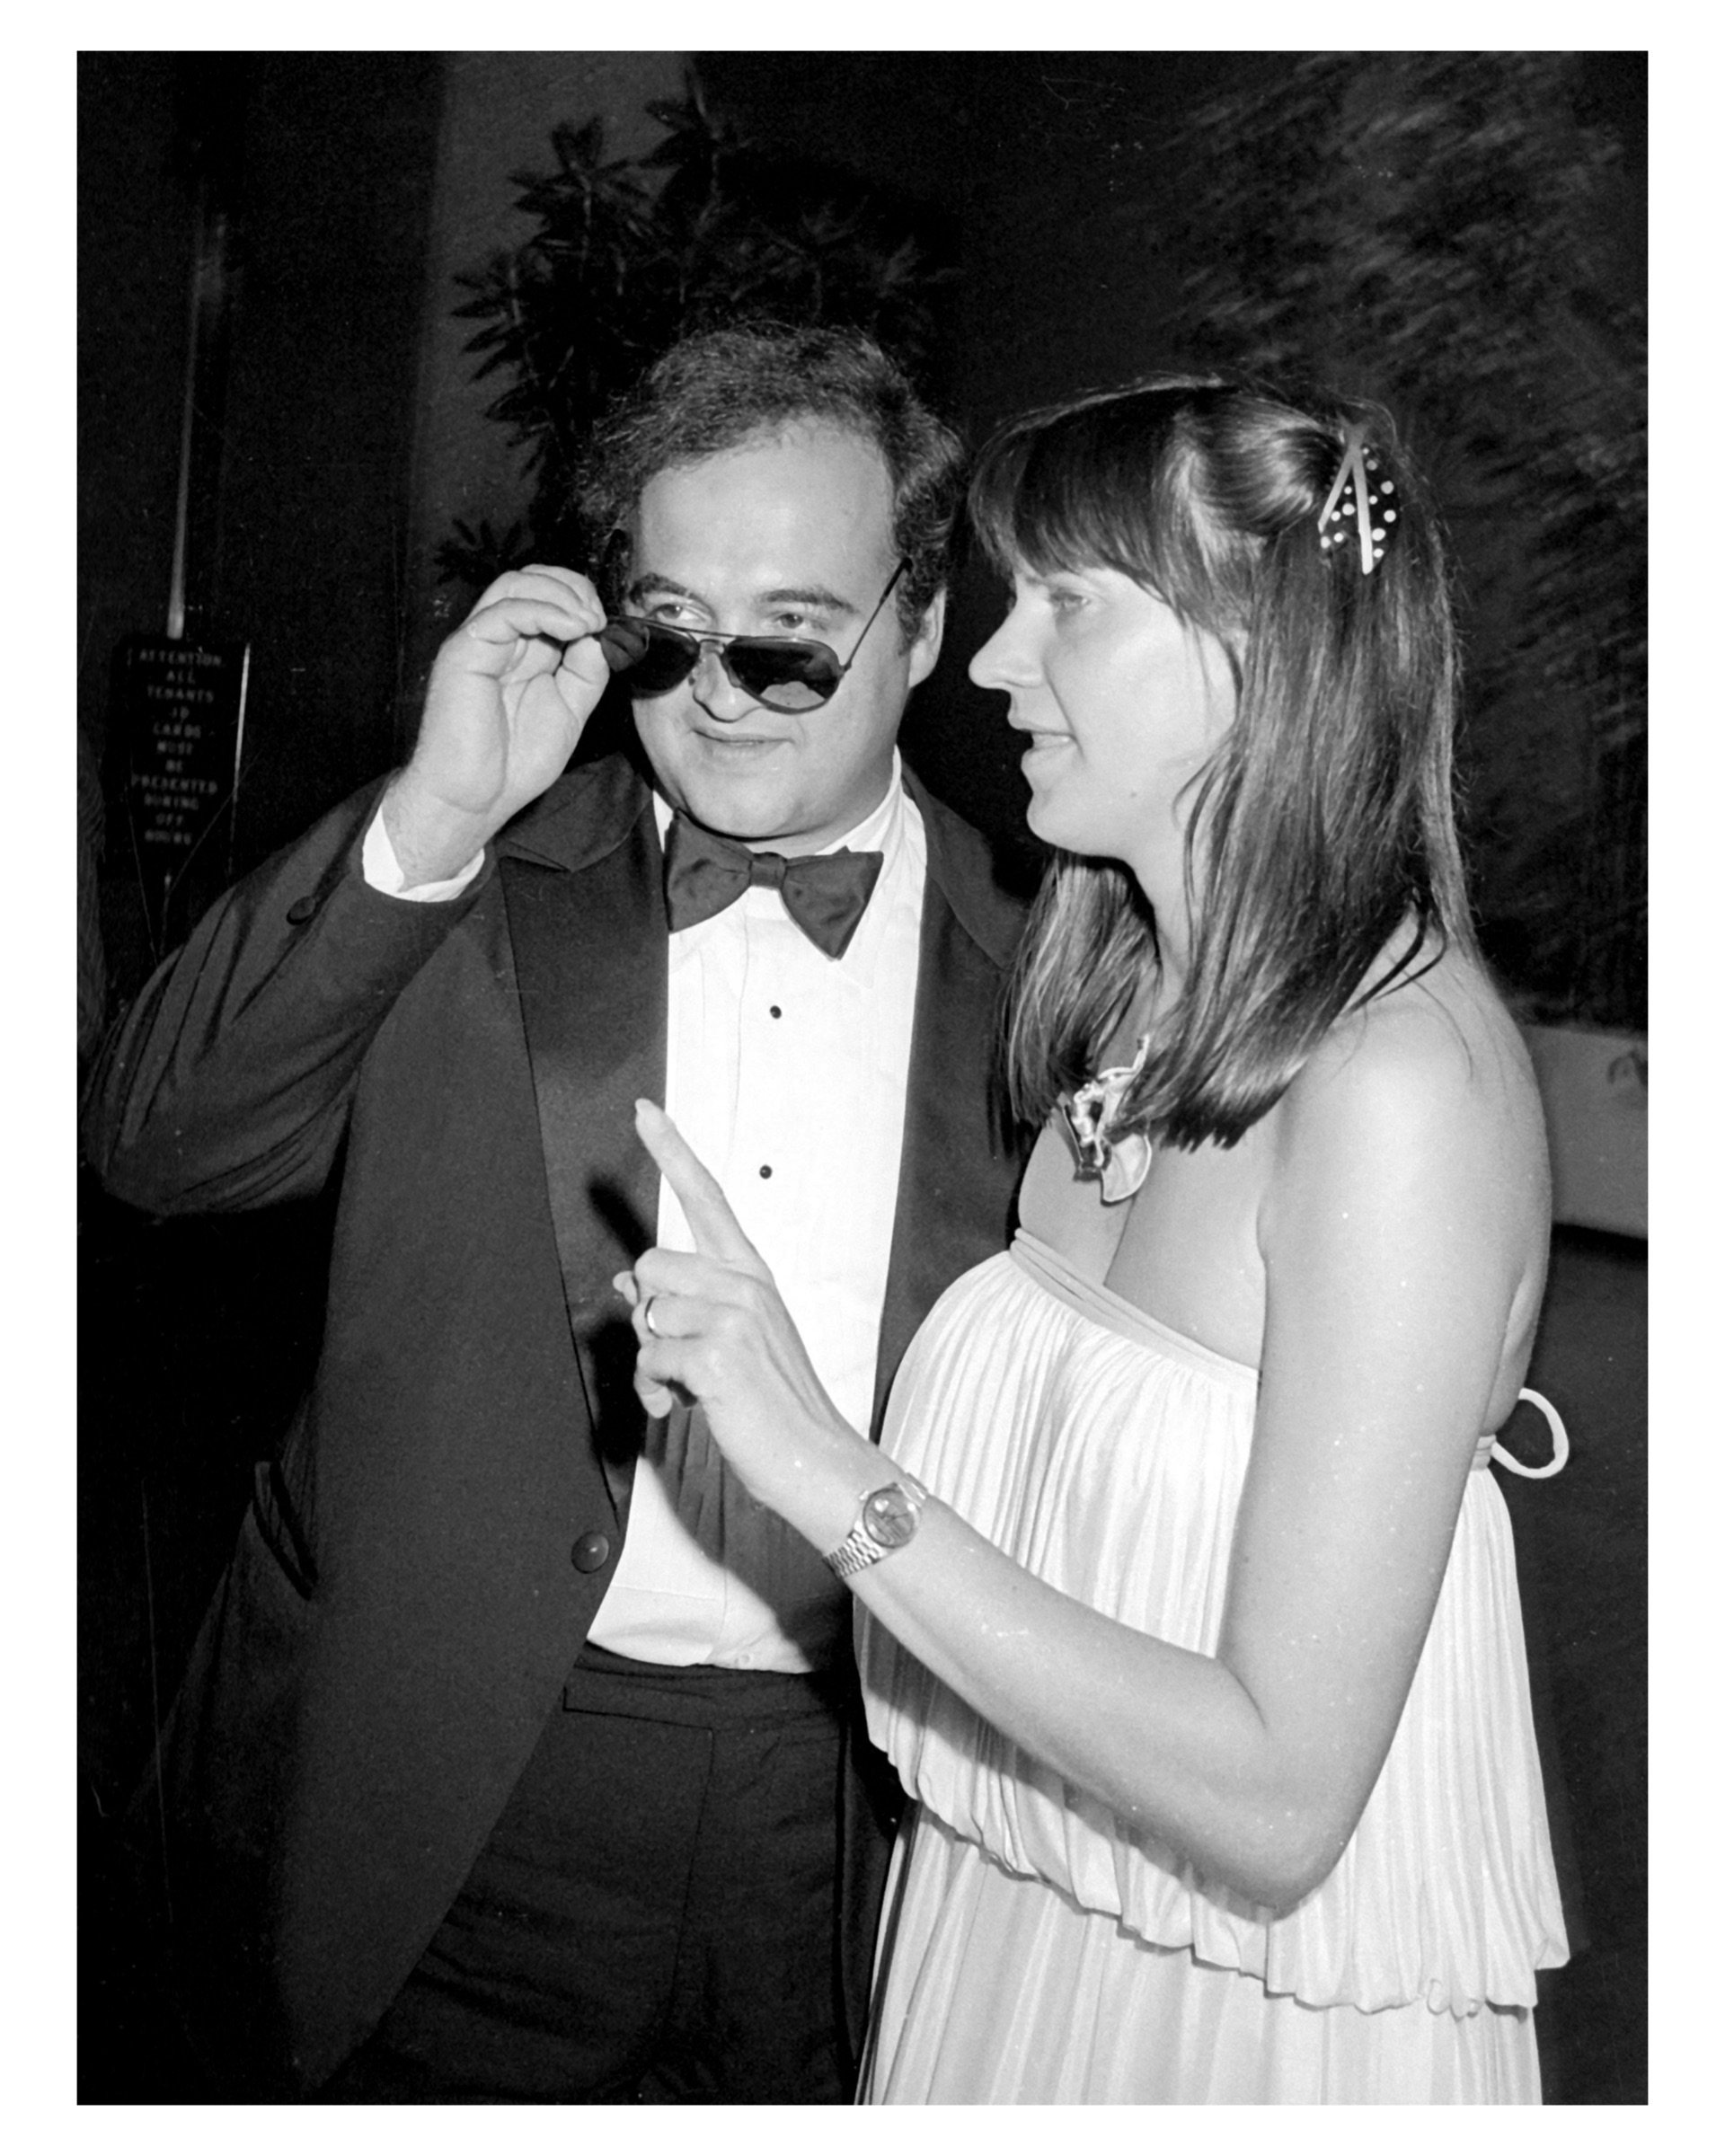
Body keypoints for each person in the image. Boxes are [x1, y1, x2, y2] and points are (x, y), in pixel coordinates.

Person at [81, 324, 1029, 2101]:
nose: (721, 691)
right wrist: (436, 808)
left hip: (863, 1819)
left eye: (795, 640)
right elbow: (159, 1149)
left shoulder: (1058, 978)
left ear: (926, 624)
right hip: (454, 1780)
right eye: (671, 629)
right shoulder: (475, 878)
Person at [613, 372, 1572, 2103]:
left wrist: (825, 1470)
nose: (988, 661)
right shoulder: (1123, 1006)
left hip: (1230, 2026)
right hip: (1012, 1927)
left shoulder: (1397, 1092)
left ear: (1257, 649)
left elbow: (1278, 1802)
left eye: (1068, 604)